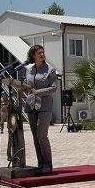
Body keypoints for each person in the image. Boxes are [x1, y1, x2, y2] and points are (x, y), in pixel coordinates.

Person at [23, 45, 57, 173]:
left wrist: (38, 92)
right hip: (31, 105)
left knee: (42, 135)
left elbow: (54, 88)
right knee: (35, 137)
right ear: (33, 55)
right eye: (39, 53)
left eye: (43, 52)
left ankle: (48, 165)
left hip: (45, 106)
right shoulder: (29, 70)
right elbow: (28, 85)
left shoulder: (50, 70)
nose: (42, 55)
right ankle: (40, 164)